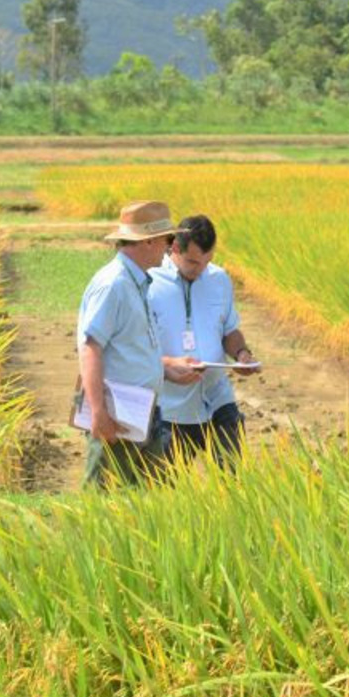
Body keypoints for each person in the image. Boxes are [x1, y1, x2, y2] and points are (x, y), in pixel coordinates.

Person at [77, 201, 201, 487]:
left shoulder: (138, 282)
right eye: (168, 240)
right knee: (105, 506)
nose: (171, 248)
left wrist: (167, 371)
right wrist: (98, 413)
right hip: (117, 413)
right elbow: (90, 347)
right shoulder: (114, 284)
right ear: (148, 241)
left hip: (144, 412)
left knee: (153, 505)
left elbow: (127, 350)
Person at [149, 215, 259, 467]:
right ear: (175, 248)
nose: (200, 270)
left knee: (233, 480)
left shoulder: (218, 279)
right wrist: (167, 364)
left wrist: (242, 354)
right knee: (166, 492)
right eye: (193, 262)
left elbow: (229, 330)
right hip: (170, 408)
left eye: (206, 262)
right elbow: (135, 346)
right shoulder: (149, 282)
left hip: (216, 397)